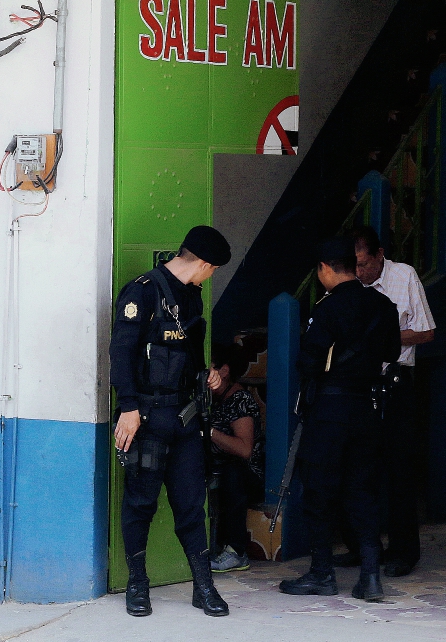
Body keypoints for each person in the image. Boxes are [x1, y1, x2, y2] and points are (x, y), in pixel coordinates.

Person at [110, 225, 232, 618]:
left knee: (190, 504)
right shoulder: (142, 291)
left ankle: (203, 587)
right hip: (145, 416)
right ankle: (137, 584)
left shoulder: (192, 298)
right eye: (212, 270)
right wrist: (128, 408)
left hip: (184, 418)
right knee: (140, 503)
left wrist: (209, 373)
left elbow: (191, 352)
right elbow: (121, 352)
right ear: (205, 264)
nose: (210, 277)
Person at [278, 237, 401, 602]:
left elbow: (310, 360)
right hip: (366, 408)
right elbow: (393, 351)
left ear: (325, 270)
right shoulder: (383, 304)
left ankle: (321, 575)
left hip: (330, 413)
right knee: (363, 493)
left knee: (319, 493)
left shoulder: (327, 309)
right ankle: (371, 577)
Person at [352, 224, 436, 578]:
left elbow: (427, 331)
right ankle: (364, 547)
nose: (360, 273)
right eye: (354, 265)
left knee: (399, 470)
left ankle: (404, 551)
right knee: (358, 469)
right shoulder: (349, 284)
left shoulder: (404, 277)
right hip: (358, 384)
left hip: (396, 381)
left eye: (365, 264)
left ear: (380, 255)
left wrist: (384, 336)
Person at [207, 346, 264, 574]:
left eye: (211, 369)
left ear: (224, 371)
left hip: (245, 474)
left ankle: (237, 551)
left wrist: (209, 432)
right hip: (218, 468)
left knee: (233, 474)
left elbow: (244, 449)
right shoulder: (214, 398)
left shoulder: (241, 400)